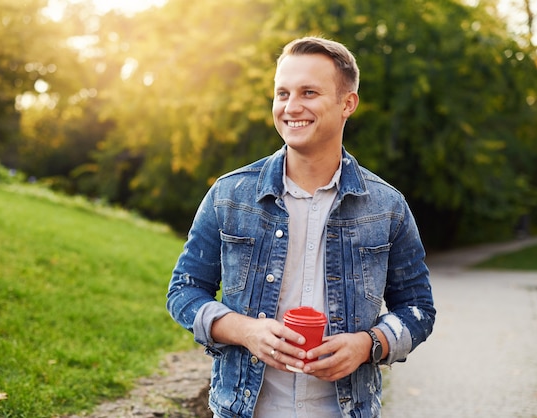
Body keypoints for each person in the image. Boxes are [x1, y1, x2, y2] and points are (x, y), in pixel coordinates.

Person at [166, 36, 435, 418]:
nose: (291, 107)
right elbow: (183, 292)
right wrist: (245, 331)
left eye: (308, 92)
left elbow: (418, 308)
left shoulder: (387, 206)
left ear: (347, 104)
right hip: (243, 409)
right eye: (282, 93)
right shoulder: (229, 194)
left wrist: (368, 344)